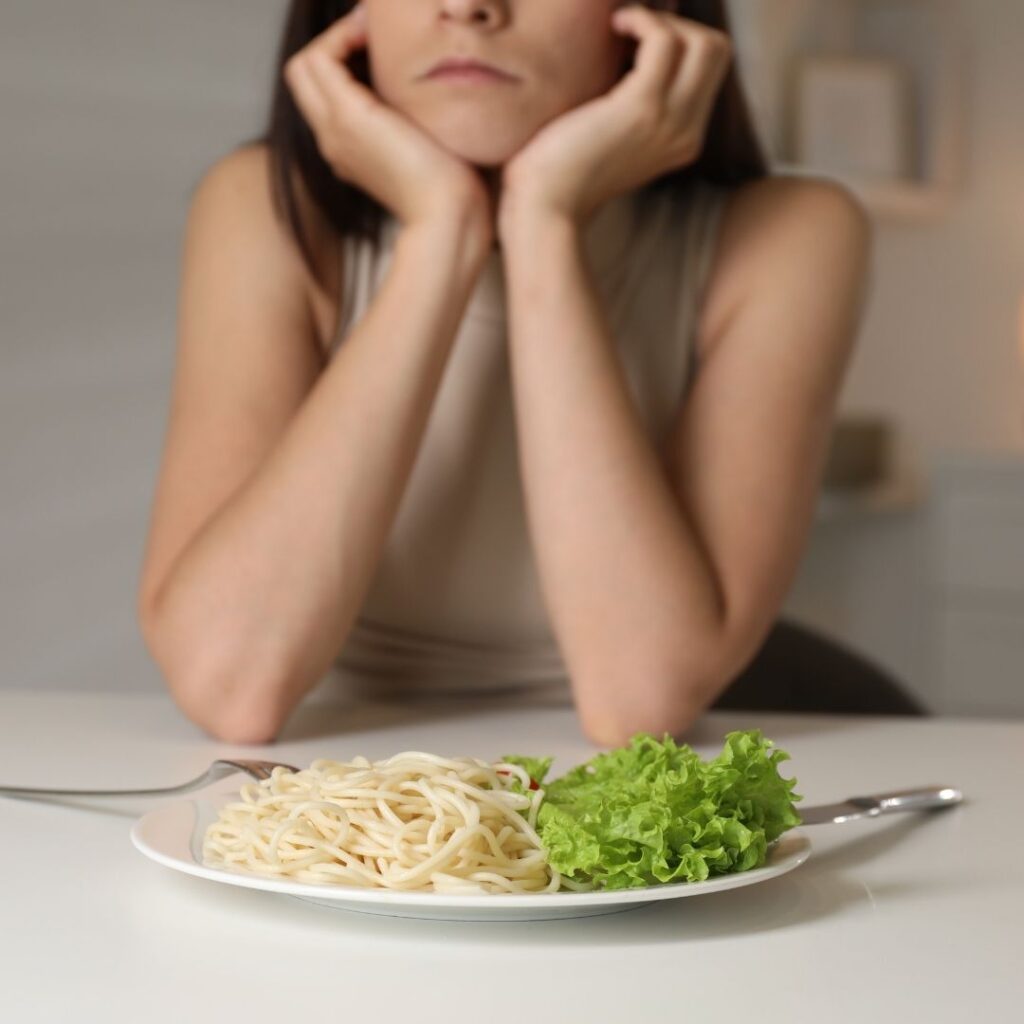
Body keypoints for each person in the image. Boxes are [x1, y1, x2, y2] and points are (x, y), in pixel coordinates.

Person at [137, 0, 874, 746]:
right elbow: (230, 683)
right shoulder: (262, 205)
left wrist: (544, 222)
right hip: (331, 789)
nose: (467, 7)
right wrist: (442, 232)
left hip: (618, 799)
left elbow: (638, 702)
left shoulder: (790, 234)